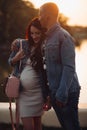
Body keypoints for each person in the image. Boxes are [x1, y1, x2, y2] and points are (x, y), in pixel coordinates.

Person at [39, 2, 81, 130]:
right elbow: (48, 67)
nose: (39, 17)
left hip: (66, 94)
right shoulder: (47, 38)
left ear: (47, 16)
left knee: (71, 127)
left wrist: (61, 95)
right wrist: (48, 93)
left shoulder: (63, 36)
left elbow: (69, 67)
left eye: (40, 14)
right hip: (56, 93)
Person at [8, 17, 50, 130]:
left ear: (43, 33)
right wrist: (16, 58)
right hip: (23, 94)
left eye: (37, 33)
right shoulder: (22, 44)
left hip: (38, 92)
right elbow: (10, 62)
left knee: (37, 125)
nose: (34, 36)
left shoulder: (46, 47)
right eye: (32, 33)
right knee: (29, 127)